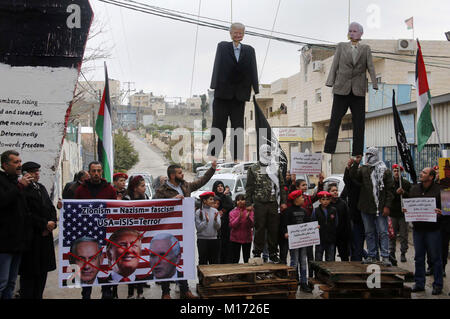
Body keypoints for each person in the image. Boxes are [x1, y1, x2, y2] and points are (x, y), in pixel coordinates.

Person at [154, 161, 217, 299]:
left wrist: (212, 168)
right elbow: (155, 207)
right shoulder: (161, 190)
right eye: (180, 173)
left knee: (184, 259)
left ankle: (185, 289)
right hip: (169, 231)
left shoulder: (185, 186)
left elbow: (201, 181)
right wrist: (172, 200)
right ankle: (165, 292)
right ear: (172, 175)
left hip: (184, 229)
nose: (182, 174)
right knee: (167, 260)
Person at [324, 22, 378, 157]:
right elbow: (335, 64)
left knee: (359, 122)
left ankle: (358, 151)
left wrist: (375, 83)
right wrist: (330, 82)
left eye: (354, 31)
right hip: (341, 89)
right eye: (350, 31)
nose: (352, 33)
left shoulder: (365, 48)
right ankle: (329, 147)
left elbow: (371, 66)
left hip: (358, 90)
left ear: (360, 33)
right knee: (335, 119)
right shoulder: (341, 46)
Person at [208, 22, 259, 161]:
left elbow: (253, 69)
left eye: (240, 33)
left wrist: (255, 87)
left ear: (243, 34)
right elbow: (217, 64)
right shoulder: (223, 47)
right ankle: (213, 155)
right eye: (235, 32)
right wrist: (214, 85)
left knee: (238, 127)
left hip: (240, 95)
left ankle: (237, 157)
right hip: (222, 93)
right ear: (230, 33)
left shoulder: (249, 50)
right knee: (219, 125)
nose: (238, 35)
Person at [75, 161, 118, 299]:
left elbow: (115, 210)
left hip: (105, 233)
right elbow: (73, 208)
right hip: (86, 234)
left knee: (105, 267)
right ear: (89, 172)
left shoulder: (110, 189)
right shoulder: (80, 190)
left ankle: (106, 293)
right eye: (93, 171)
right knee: (88, 267)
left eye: (99, 171)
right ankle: (86, 295)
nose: (96, 174)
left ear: (102, 172)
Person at [349, 148, 394, 266]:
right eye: (367, 154)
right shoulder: (364, 169)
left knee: (383, 232)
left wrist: (387, 206)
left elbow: (390, 191)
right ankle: (372, 255)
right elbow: (353, 176)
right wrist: (355, 164)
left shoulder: (385, 171)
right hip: (366, 207)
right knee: (369, 232)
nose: (369, 156)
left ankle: (385, 256)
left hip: (381, 207)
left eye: (371, 154)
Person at [18, 161, 57, 299]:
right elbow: (27, 212)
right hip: (32, 238)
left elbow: (50, 207)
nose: (37, 174)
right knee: (30, 275)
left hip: (45, 238)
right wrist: (43, 224)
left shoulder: (41, 188)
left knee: (42, 272)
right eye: (33, 171)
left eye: (37, 171)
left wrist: (52, 222)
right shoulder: (23, 190)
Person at [405, 167, 443, 295]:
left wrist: (441, 212)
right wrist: (406, 209)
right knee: (418, 257)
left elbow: (447, 209)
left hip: (433, 230)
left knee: (435, 258)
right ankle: (419, 283)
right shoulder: (415, 188)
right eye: (421, 172)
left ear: (431, 177)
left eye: (424, 173)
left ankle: (438, 285)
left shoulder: (440, 189)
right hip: (418, 230)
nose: (421, 173)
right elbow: (409, 203)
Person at [245, 145, 287, 263]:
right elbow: (249, 187)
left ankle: (273, 253)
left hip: (273, 203)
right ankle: (257, 253)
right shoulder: (253, 168)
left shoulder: (275, 167)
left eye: (269, 152)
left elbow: (282, 186)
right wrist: (248, 203)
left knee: (273, 229)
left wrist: (283, 202)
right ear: (260, 152)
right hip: (260, 203)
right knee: (259, 229)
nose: (267, 154)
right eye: (265, 152)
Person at [0, 150, 32, 299]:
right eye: (16, 162)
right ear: (5, 165)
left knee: (12, 283)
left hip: (18, 242)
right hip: (4, 243)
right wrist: (19, 187)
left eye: (20, 162)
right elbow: (3, 201)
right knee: (2, 281)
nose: (20, 165)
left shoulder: (17, 182)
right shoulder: (4, 181)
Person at [122, 175, 150, 299]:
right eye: (142, 186)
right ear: (134, 188)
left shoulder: (146, 198)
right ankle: (130, 293)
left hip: (142, 237)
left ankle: (140, 292)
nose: (145, 188)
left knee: (140, 265)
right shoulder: (126, 199)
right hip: (129, 238)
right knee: (130, 265)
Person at [282, 190, 312, 293]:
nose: (303, 199)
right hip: (294, 241)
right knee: (294, 261)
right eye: (301, 197)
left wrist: (314, 229)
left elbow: (308, 223)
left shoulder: (304, 211)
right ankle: (293, 281)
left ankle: (304, 282)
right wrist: (285, 233)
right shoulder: (288, 211)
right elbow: (284, 224)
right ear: (295, 199)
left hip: (302, 241)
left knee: (303, 261)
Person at [296, 175, 324, 280]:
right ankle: (297, 279)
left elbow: (317, 196)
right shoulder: (293, 199)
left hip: (308, 231)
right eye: (303, 185)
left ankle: (311, 278)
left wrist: (320, 183)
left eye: (306, 185)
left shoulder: (308, 198)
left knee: (309, 256)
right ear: (297, 187)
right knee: (297, 257)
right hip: (297, 232)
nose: (305, 187)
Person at [341, 160, 365, 261]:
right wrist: (349, 166)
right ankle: (357, 261)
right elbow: (347, 179)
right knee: (356, 243)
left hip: (368, 216)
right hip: (356, 217)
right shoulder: (352, 185)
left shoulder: (366, 185)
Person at [389, 164, 411, 265]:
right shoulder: (390, 183)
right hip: (393, 212)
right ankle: (392, 252)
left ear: (401, 172)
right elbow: (388, 196)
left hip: (403, 213)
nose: (396, 173)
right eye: (394, 171)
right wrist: (395, 193)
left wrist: (404, 193)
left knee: (403, 234)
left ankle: (403, 252)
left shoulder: (406, 183)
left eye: (398, 171)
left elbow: (411, 196)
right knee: (392, 234)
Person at [195, 192, 221, 265]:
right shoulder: (198, 212)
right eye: (210, 199)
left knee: (214, 262)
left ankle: (214, 277)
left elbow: (218, 227)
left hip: (214, 240)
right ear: (204, 201)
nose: (213, 201)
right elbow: (198, 228)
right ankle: (202, 276)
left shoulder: (215, 211)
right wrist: (206, 221)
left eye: (213, 199)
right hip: (202, 240)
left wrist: (215, 220)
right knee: (203, 261)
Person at [328, 183, 351, 261]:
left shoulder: (343, 203)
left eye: (336, 190)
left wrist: (348, 234)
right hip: (331, 236)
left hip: (342, 235)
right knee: (331, 257)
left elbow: (347, 219)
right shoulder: (327, 205)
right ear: (328, 192)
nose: (335, 192)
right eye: (333, 191)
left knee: (344, 257)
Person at [212, 180, 234, 264]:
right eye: (218, 186)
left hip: (226, 226)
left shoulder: (227, 196)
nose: (220, 187)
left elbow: (231, 205)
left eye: (221, 186)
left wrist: (225, 195)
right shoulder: (212, 197)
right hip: (215, 226)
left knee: (226, 246)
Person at [312, 191, 337, 262]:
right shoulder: (315, 211)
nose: (325, 201)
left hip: (331, 238)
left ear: (330, 200)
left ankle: (329, 273)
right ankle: (318, 273)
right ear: (319, 200)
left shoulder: (333, 210)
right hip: (320, 239)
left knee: (330, 259)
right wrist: (316, 227)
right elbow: (312, 223)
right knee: (318, 259)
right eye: (323, 199)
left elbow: (336, 223)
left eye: (327, 199)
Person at [229, 194, 254, 264]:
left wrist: (248, 218)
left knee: (247, 258)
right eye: (238, 200)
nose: (240, 201)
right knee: (235, 259)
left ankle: (246, 274)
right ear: (236, 202)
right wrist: (239, 218)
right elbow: (232, 225)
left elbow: (252, 225)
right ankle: (235, 274)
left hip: (247, 239)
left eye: (242, 199)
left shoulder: (250, 211)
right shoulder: (232, 212)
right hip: (235, 239)